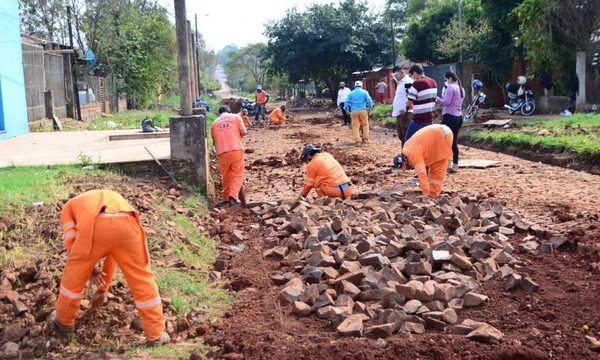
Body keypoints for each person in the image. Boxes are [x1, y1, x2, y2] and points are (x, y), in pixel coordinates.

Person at [53, 189, 169, 345]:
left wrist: (92, 271)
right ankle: (156, 334)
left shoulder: (68, 208)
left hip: (96, 225)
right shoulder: (103, 199)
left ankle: (64, 322)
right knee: (142, 279)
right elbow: (113, 254)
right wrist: (102, 289)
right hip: (128, 224)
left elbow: (72, 245)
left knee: (73, 277)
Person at [395, 124, 453, 198]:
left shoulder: (413, 154)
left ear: (404, 160)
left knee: (438, 168)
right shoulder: (407, 148)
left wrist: (425, 196)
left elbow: (422, 176)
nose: (406, 168)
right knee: (437, 164)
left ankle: (432, 196)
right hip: (443, 132)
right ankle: (434, 195)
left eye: (404, 166)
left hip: (442, 135)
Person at [211, 105, 247, 206]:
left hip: (221, 152)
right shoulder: (236, 117)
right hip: (236, 149)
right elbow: (244, 132)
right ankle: (233, 197)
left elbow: (214, 141)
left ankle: (226, 197)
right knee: (237, 174)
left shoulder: (214, 123)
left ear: (219, 113)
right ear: (229, 111)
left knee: (226, 175)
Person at [437, 71, 465, 173]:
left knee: (442, 139)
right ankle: (455, 165)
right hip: (459, 117)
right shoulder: (461, 88)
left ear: (449, 78)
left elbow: (446, 102)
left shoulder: (450, 87)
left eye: (445, 79)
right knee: (453, 141)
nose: (445, 82)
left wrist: (437, 99)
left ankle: (446, 163)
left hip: (449, 117)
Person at [405, 64, 438, 143]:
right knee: (425, 143)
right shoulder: (433, 82)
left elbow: (409, 103)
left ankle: (407, 155)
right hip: (430, 118)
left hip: (419, 119)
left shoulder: (417, 84)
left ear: (415, 73)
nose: (413, 78)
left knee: (408, 141)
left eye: (412, 76)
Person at [344, 81, 374, 145]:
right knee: (365, 125)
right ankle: (366, 139)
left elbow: (346, 102)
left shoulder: (351, 93)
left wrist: (346, 109)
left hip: (354, 111)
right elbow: (369, 100)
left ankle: (357, 141)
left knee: (355, 126)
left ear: (354, 86)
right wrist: (370, 107)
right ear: (361, 85)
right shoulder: (364, 92)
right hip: (363, 110)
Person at [391, 66, 414, 147]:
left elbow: (411, 97)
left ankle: (407, 155)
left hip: (405, 113)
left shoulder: (408, 82)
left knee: (406, 135)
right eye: (394, 76)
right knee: (401, 136)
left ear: (402, 73)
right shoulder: (400, 83)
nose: (395, 77)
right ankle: (404, 154)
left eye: (396, 75)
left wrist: (406, 109)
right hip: (399, 113)